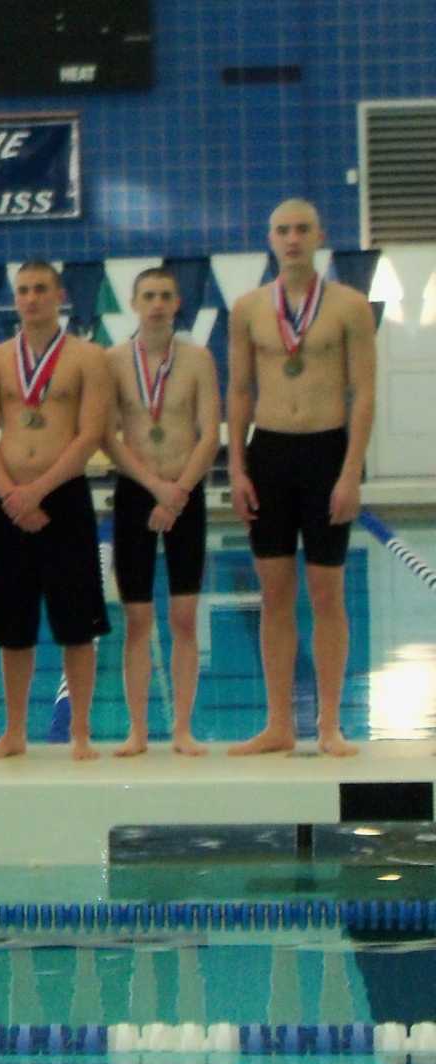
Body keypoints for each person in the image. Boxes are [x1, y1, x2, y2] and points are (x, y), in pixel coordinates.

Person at [227, 197, 376, 758]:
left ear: (320, 236)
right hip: (268, 453)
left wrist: (350, 473)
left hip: (325, 451)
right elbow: (240, 391)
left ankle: (330, 724)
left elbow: (363, 392)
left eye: (301, 230)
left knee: (328, 592)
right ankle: (278, 724)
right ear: (270, 239)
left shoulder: (349, 307)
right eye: (282, 230)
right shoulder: (247, 308)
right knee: (274, 595)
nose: (291, 239)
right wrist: (237, 467)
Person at [0, 261, 112, 761]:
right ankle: (14, 732)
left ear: (60, 295)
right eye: (23, 290)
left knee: (78, 622)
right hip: (7, 497)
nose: (31, 298)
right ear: (15, 297)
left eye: (40, 289)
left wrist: (40, 490)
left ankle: (79, 732)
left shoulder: (88, 358)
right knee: (13, 623)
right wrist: (12, 492)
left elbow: (90, 434)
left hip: (65, 496)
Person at [105, 266, 221, 757]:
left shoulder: (197, 361)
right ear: (134, 303)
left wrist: (177, 492)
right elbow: (105, 436)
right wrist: (155, 487)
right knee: (136, 620)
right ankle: (137, 730)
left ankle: (183, 730)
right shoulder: (112, 362)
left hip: (185, 493)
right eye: (148, 295)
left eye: (165, 295)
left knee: (184, 617)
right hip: (135, 493)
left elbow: (210, 433)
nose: (156, 303)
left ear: (177, 304)